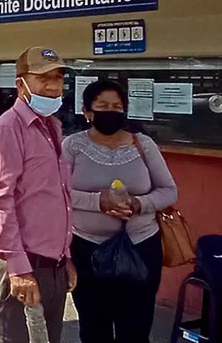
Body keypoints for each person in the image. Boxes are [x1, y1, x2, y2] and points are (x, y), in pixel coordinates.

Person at [62, 79, 178, 343]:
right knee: (93, 326)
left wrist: (139, 204)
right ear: (87, 111)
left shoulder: (142, 144)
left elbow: (169, 191)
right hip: (87, 248)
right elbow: (57, 192)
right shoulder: (72, 146)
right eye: (102, 106)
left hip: (140, 247)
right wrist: (97, 202)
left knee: (135, 328)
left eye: (116, 106)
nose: (110, 111)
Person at [0, 47, 76, 343]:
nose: (52, 85)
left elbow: (54, 198)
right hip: (21, 266)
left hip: (53, 266)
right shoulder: (7, 130)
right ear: (20, 83)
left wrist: (66, 258)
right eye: (43, 78)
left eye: (57, 77)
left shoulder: (51, 127)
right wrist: (19, 270)